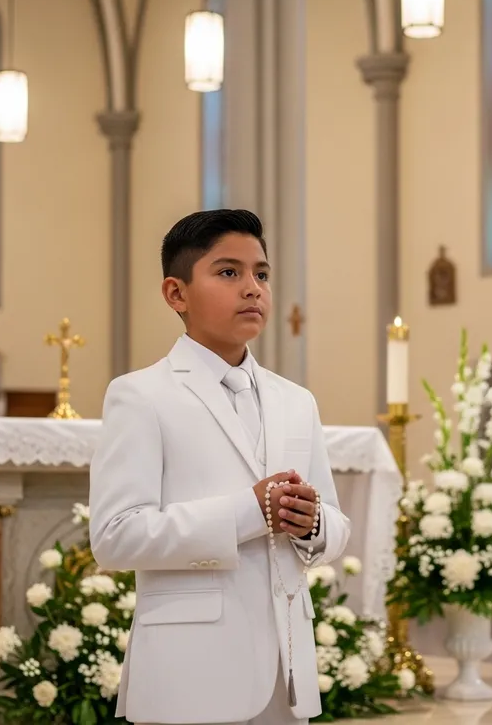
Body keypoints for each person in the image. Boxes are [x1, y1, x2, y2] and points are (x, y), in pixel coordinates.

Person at [89, 209, 350, 725]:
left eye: (262, 273)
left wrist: (313, 523)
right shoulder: (141, 395)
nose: (253, 288)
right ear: (176, 293)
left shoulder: (296, 401)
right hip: (190, 670)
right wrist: (250, 511)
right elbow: (115, 536)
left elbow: (336, 523)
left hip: (286, 673)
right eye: (229, 272)